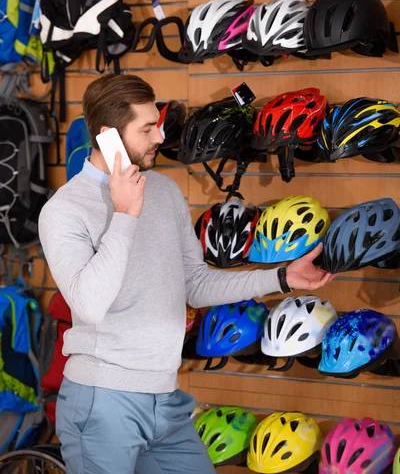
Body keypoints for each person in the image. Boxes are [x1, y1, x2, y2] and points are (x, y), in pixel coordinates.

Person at [38, 74, 334, 474]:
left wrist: (280, 277)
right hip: (102, 402)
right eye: (146, 128)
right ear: (108, 136)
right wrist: (125, 214)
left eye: (157, 123)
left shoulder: (162, 191)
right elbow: (89, 304)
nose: (160, 136)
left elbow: (195, 283)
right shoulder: (65, 210)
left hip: (166, 399)